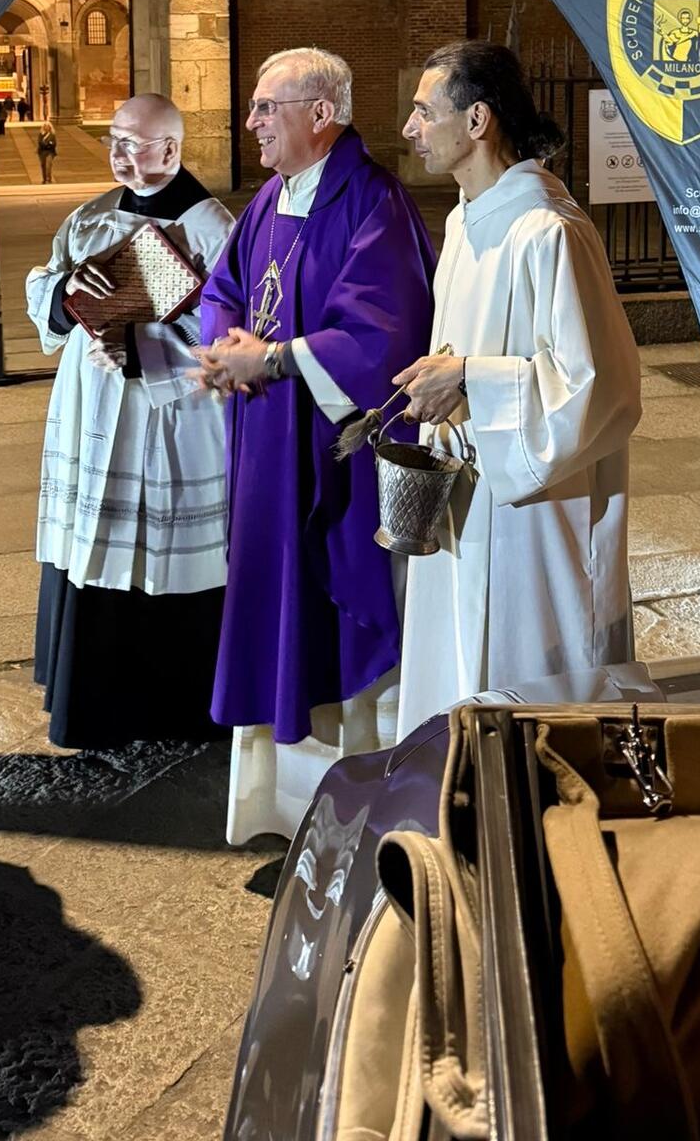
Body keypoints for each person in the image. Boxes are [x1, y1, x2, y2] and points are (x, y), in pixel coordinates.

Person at [195, 48, 435, 843]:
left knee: (329, 612)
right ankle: (277, 803)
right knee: (271, 601)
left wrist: (269, 361)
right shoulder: (273, 197)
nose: (253, 123)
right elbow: (226, 288)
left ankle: (351, 812)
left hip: (330, 452)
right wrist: (223, 346)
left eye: (268, 107)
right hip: (266, 442)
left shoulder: (373, 201)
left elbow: (383, 334)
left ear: (321, 114)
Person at [393, 42, 642, 739]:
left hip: (535, 514)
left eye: (424, 111)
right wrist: (440, 385)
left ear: (477, 121)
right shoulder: (464, 220)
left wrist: (470, 378)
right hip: (465, 495)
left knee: (526, 682)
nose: (411, 128)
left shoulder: (549, 229)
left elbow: (602, 387)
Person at [27, 93, 235, 747]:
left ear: (171, 149)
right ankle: (92, 701)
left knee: (162, 553)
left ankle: (172, 707)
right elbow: (45, 283)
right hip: (89, 406)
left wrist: (142, 340)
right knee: (92, 540)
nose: (117, 154)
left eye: (132, 143)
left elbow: (232, 332)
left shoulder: (211, 227)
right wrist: (64, 296)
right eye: (113, 139)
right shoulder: (92, 215)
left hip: (169, 418)